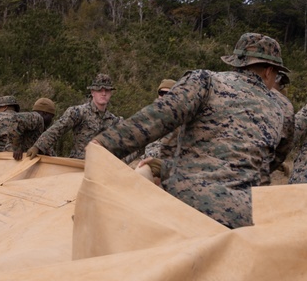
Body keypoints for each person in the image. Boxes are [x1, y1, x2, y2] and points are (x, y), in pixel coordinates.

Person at [92, 33, 294, 229]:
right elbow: (267, 163)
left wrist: (104, 145)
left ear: (236, 63)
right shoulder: (281, 110)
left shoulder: (206, 81)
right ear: (268, 71)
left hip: (187, 212)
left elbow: (157, 118)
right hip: (245, 222)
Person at [25, 73, 121, 159]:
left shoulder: (114, 120)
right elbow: (58, 129)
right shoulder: (79, 112)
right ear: (92, 92)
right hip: (79, 166)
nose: (103, 93)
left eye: (107, 90)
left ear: (110, 93)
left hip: (101, 168)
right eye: (100, 90)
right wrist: (38, 147)